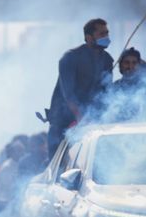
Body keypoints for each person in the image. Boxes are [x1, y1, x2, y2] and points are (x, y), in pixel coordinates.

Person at [46, 18, 113, 157]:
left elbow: (106, 93)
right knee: (60, 163)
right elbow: (68, 95)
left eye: (107, 33)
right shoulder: (70, 57)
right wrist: (81, 118)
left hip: (91, 122)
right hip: (64, 122)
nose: (106, 37)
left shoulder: (107, 60)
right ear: (89, 38)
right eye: (101, 34)